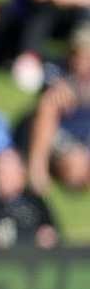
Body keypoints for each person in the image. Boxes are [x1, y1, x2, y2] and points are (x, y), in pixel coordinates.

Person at [27, 27, 90, 192]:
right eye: (79, 55)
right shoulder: (57, 70)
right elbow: (50, 96)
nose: (82, 62)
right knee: (75, 167)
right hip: (64, 140)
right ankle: (37, 168)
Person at [0, 148, 59, 248]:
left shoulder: (35, 203)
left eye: (5, 173)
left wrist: (45, 237)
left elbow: (53, 235)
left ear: (21, 174)